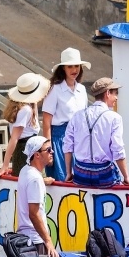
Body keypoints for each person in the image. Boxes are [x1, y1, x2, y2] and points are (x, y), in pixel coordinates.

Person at [63, 77, 129, 187]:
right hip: (104, 174)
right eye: (115, 93)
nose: (117, 98)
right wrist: (127, 177)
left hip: (80, 173)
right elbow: (117, 149)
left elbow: (68, 145)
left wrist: (68, 173)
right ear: (108, 93)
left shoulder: (77, 116)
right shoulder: (114, 118)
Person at [41, 47, 91, 181]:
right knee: (61, 178)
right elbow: (46, 121)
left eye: (77, 66)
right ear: (63, 68)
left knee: (80, 180)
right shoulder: (55, 89)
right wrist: (47, 148)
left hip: (79, 138)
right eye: (70, 66)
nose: (74, 70)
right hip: (60, 139)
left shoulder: (82, 89)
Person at [0, 72, 50, 178]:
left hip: (26, 147)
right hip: (25, 150)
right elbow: (14, 138)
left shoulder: (27, 106)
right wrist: (5, 165)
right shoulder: (26, 110)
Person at [16, 136, 60, 257]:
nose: (52, 152)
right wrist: (48, 242)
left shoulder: (25, 170)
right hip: (36, 241)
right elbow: (34, 214)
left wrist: (42, 180)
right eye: (48, 150)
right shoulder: (35, 179)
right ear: (37, 155)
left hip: (26, 237)